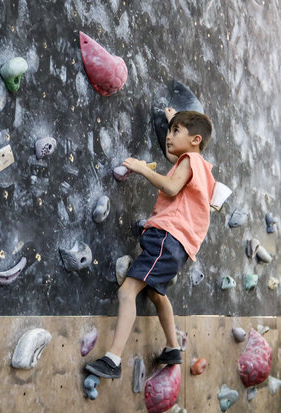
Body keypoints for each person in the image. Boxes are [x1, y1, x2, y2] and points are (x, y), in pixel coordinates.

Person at [85, 108, 215, 379]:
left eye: (175, 131)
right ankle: (172, 348)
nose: (169, 137)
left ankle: (113, 359)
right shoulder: (204, 169)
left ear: (195, 140)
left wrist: (142, 169)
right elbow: (173, 156)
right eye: (169, 131)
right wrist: (172, 122)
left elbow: (170, 186)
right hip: (180, 246)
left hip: (168, 238)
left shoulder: (190, 159)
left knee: (127, 292)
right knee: (156, 293)